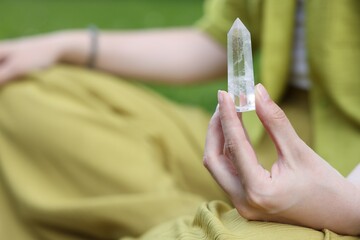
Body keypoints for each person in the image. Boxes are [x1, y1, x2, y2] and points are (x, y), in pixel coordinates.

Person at [0, 0, 359, 239]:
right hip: (258, 141)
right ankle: (201, 220)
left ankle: (207, 224)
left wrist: (344, 206)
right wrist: (67, 45)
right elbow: (216, 39)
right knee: (18, 97)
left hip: (346, 182)